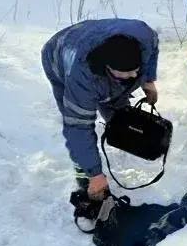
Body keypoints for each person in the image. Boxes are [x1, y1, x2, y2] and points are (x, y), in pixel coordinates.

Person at [41, 19, 159, 203]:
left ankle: (121, 130)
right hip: (58, 54)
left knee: (116, 99)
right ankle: (85, 171)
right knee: (75, 117)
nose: (134, 76)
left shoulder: (145, 37)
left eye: (136, 71)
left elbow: (151, 54)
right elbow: (78, 129)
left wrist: (148, 80)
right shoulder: (80, 79)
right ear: (108, 68)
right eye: (128, 73)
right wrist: (95, 174)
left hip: (93, 35)